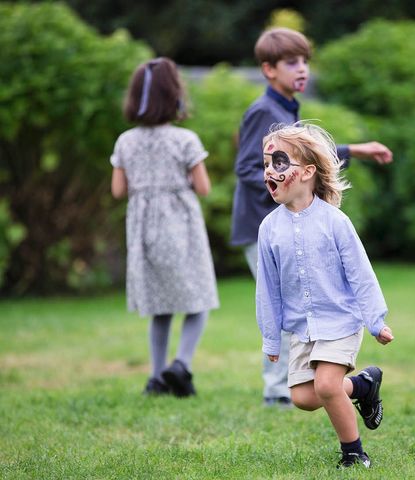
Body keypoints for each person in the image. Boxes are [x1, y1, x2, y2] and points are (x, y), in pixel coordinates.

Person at [231, 27, 393, 408]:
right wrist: (282, 197)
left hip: (292, 224)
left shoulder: (287, 109)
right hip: (267, 227)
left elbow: (304, 154)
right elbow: (247, 168)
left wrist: (355, 149)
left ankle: (320, 384)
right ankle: (277, 391)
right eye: (292, 62)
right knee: (280, 302)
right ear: (268, 70)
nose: (302, 69)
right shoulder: (264, 112)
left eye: (305, 61)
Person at [256, 123, 394, 468]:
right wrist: (272, 340)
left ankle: (354, 454)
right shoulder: (268, 229)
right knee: (303, 397)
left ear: (307, 172)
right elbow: (268, 289)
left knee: (328, 386)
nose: (269, 171)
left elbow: (361, 274)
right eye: (266, 163)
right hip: (303, 329)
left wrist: (375, 321)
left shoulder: (335, 222)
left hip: (340, 321)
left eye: (279, 162)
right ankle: (363, 387)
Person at [110, 57, 219, 397]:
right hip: (181, 227)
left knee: (160, 307)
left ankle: (156, 377)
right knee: (198, 300)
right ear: (174, 95)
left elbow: (117, 191)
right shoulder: (184, 139)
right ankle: (181, 365)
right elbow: (203, 188)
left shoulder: (126, 141)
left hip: (143, 230)